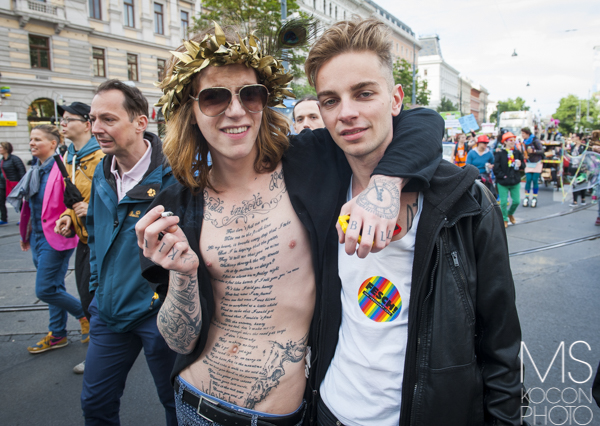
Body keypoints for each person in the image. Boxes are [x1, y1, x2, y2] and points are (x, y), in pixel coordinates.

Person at [135, 21, 444, 425]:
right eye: (213, 98)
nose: (235, 111)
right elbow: (179, 339)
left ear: (265, 102)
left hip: (291, 413)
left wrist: (385, 186)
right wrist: (182, 274)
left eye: (250, 95)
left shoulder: (309, 160)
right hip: (200, 406)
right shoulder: (177, 204)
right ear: (191, 111)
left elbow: (422, 123)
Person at [305, 19, 524, 425]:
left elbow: (501, 344)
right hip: (331, 409)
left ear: (395, 98)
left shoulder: (468, 202)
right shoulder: (317, 182)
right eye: (331, 100)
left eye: (364, 93)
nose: (347, 112)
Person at [82, 79, 177, 425]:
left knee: (175, 404)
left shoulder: (176, 174)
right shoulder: (101, 172)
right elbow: (94, 234)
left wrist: (171, 303)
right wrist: (97, 289)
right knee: (95, 403)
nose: (96, 129)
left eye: (107, 119)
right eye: (93, 119)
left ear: (140, 122)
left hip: (159, 316)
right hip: (109, 312)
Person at [16, 125, 87, 353]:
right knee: (54, 287)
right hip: (36, 235)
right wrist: (25, 232)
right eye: (31, 139)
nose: (32, 143)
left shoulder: (62, 166)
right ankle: (57, 334)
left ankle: (85, 315)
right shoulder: (35, 169)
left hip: (56, 235)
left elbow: (72, 199)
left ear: (53, 144)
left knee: (45, 289)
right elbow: (31, 205)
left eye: (37, 139)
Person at [53, 101, 105, 374]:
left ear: (86, 124)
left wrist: (92, 211)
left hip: (104, 240)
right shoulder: (69, 157)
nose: (63, 123)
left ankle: (100, 354)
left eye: (69, 119)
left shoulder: (102, 157)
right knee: (88, 298)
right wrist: (67, 218)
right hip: (85, 240)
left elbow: (116, 201)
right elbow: (73, 200)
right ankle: (104, 348)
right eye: (62, 118)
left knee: (97, 298)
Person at [495, 132, 524, 227]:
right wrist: (503, 176)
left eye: (514, 140)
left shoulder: (517, 153)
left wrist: (520, 164)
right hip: (503, 182)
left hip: (515, 181)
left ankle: (510, 213)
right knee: (503, 202)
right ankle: (504, 219)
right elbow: (496, 168)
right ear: (505, 142)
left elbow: (523, 166)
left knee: (516, 201)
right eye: (510, 140)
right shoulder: (500, 153)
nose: (513, 142)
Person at [0, 142, 26, 225]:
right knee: (1, 201)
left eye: (1, 147)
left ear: (6, 149)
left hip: (14, 184)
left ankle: (23, 218)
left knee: (18, 201)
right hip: (3, 184)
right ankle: (4, 219)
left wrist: (22, 183)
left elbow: (22, 171)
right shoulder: (2, 160)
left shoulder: (15, 159)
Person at [521, 127, 543, 208]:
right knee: (528, 180)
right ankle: (526, 197)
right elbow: (522, 152)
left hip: (536, 163)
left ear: (527, 133)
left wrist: (534, 151)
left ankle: (534, 197)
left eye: (523, 133)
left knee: (534, 180)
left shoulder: (535, 140)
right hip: (528, 163)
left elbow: (541, 151)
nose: (522, 135)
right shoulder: (524, 142)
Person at [569, 133, 587, 207]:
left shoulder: (583, 147)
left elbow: (586, 157)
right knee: (574, 184)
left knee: (582, 183)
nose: (572, 138)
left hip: (581, 168)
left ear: (578, 138)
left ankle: (583, 199)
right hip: (574, 167)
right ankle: (575, 201)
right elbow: (571, 157)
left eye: (573, 137)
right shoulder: (573, 147)